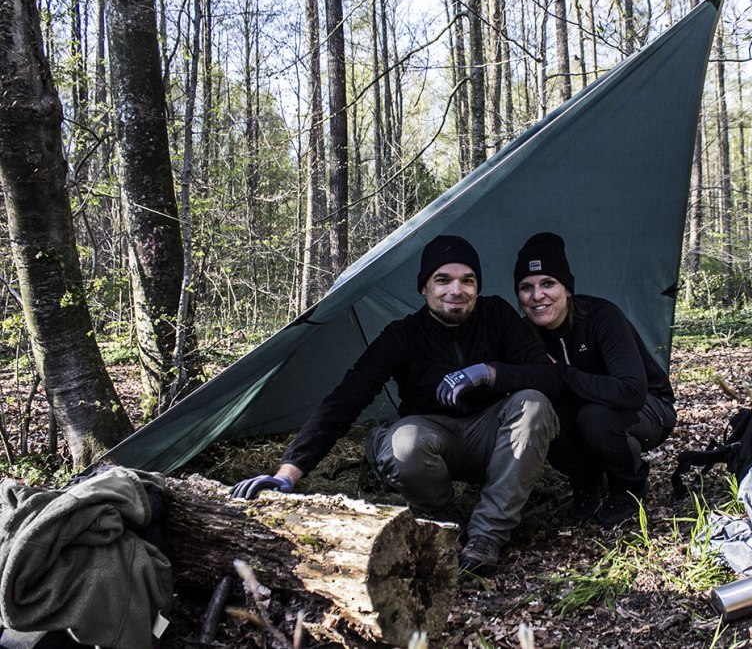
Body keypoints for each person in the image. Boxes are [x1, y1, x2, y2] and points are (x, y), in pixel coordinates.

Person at [232, 235, 560, 574]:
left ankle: (485, 536)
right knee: (404, 444)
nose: (456, 290)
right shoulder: (403, 336)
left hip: (489, 438)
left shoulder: (497, 316)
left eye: (467, 280)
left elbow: (548, 378)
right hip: (432, 442)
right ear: (424, 288)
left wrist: (488, 373)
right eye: (443, 280)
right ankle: (443, 522)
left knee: (534, 404)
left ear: (478, 287)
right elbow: (346, 399)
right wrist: (288, 473)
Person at [513, 232, 677, 527]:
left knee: (595, 417)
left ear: (567, 289)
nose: (537, 296)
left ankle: (629, 487)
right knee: (547, 416)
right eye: (527, 287)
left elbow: (631, 391)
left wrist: (562, 373)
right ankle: (588, 486)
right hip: (583, 410)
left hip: (649, 408)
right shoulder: (525, 336)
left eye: (548, 284)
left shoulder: (601, 317)